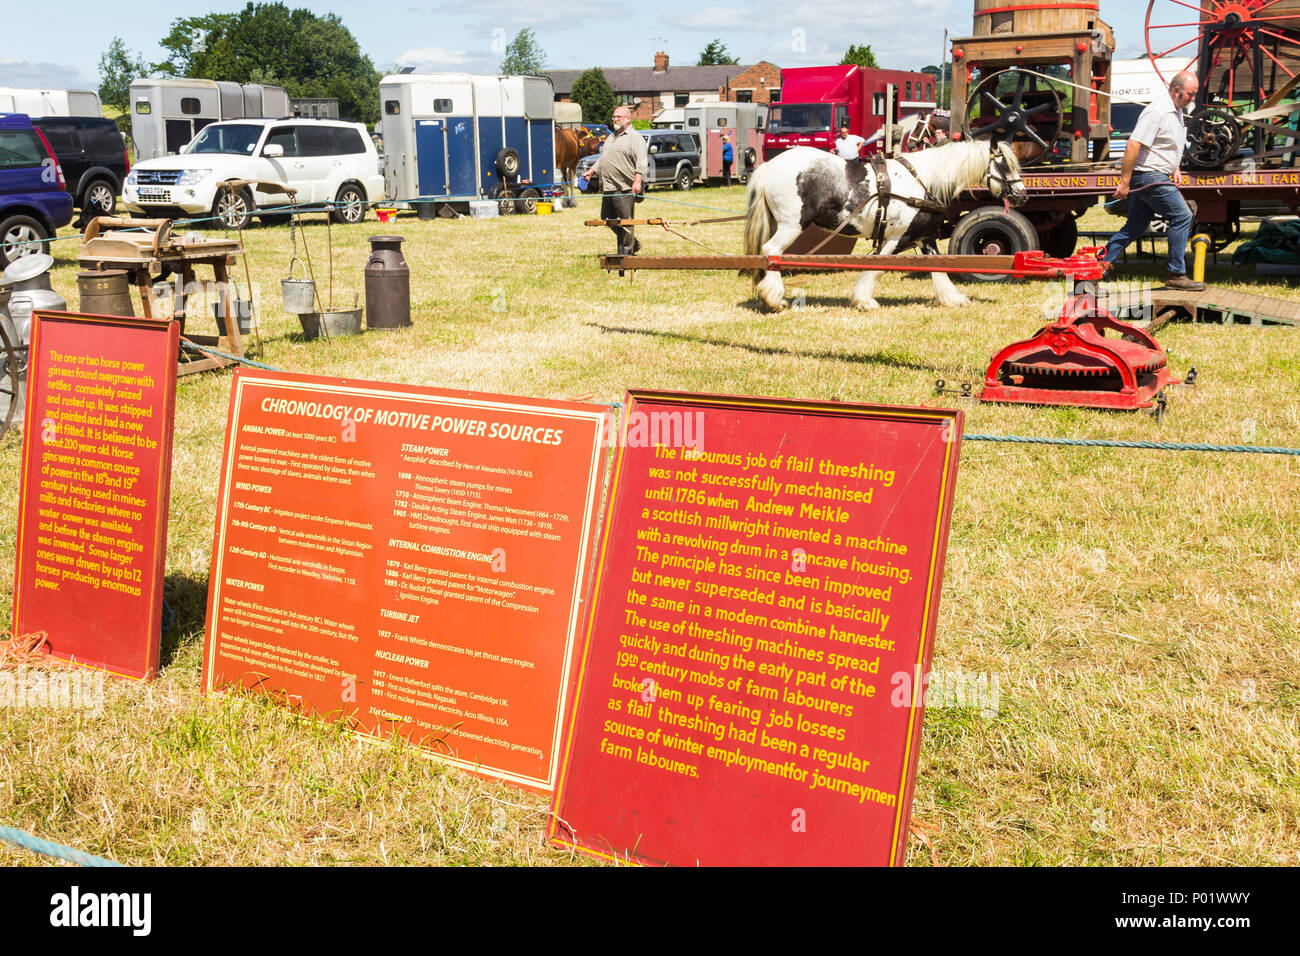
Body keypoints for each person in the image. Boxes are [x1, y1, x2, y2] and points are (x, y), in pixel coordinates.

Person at [1104, 71, 1205, 291]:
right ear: (1177, 90)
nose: (1193, 98)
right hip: (1149, 175)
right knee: (1182, 215)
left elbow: (1165, 144)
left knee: (1135, 227)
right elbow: (1133, 145)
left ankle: (1098, 265)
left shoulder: (1176, 111)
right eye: (1190, 93)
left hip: (1155, 173)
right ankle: (1176, 274)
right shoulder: (1157, 111)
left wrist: (1175, 166)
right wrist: (1124, 182)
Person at [582, 106, 648, 255]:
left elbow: (642, 161)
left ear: (628, 119)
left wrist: (637, 180)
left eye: (619, 117)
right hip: (609, 186)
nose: (615, 119)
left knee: (626, 222)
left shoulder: (635, 137)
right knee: (607, 218)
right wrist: (592, 171)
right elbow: (604, 158)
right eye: (614, 117)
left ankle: (626, 253)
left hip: (625, 187)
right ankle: (633, 242)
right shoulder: (611, 137)